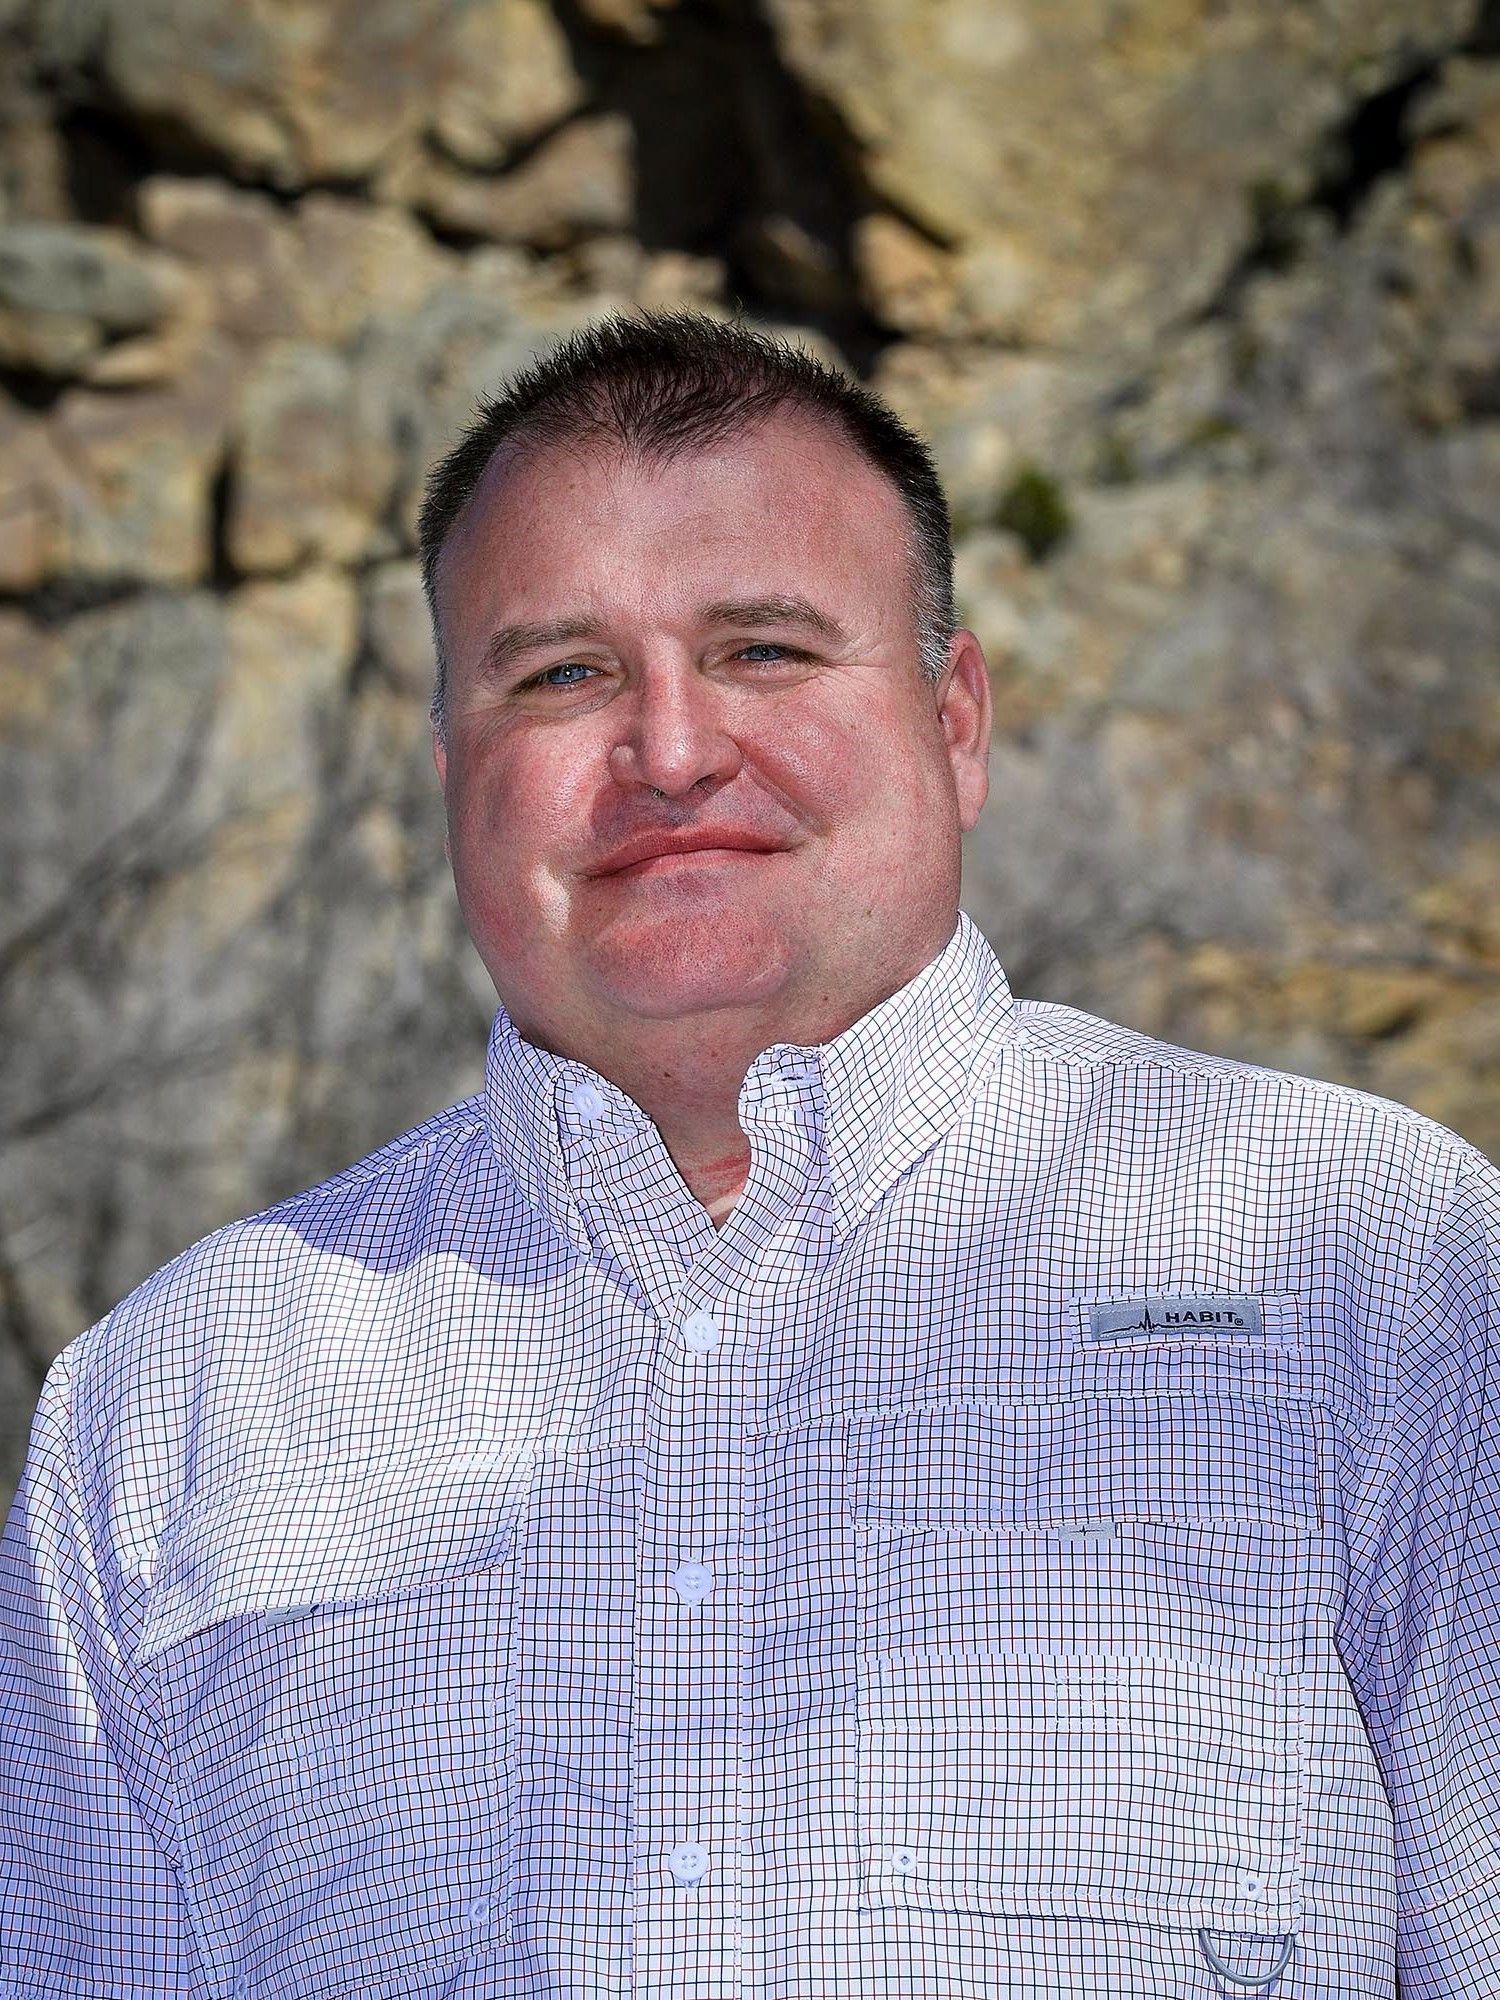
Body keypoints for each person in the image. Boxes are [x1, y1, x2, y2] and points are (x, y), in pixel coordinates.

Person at [1, 311, 1496, 2000]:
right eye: (560, 674)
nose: (673, 750)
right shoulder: (171, 1411)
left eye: (767, 651)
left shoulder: (1375, 1259)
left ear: (958, 720)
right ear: (448, 776)